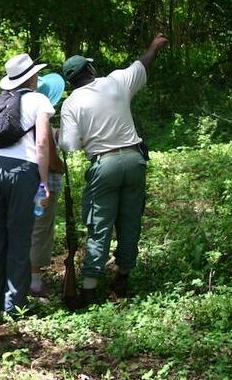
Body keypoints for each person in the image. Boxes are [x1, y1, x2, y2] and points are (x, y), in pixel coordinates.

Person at [58, 34, 169, 306]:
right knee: (131, 221)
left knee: (99, 225)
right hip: (134, 160)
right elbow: (143, 64)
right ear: (91, 70)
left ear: (71, 81)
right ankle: (123, 277)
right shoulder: (116, 81)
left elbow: (70, 144)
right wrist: (154, 45)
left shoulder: (72, 103)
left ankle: (89, 287)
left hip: (104, 164)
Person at [0, 53, 54, 316]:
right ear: (32, 76)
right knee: (19, 236)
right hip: (22, 171)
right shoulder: (39, 100)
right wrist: (44, 181)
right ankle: (16, 304)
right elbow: (43, 143)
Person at [29, 73, 66, 297]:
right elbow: (50, 157)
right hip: (45, 184)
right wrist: (60, 166)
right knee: (41, 229)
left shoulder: (23, 114)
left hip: (25, 181)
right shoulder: (41, 117)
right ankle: (34, 281)